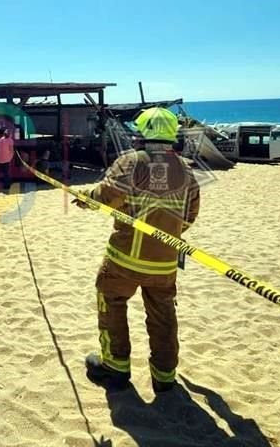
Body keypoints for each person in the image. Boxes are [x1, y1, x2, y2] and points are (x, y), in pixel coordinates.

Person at [76, 107, 200, 394]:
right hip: (166, 262)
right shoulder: (187, 169)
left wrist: (85, 198)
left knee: (112, 302)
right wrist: (166, 236)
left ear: (141, 132)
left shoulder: (130, 162)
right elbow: (190, 215)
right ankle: (165, 376)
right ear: (172, 135)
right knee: (163, 314)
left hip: (125, 258)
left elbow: (107, 197)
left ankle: (115, 368)